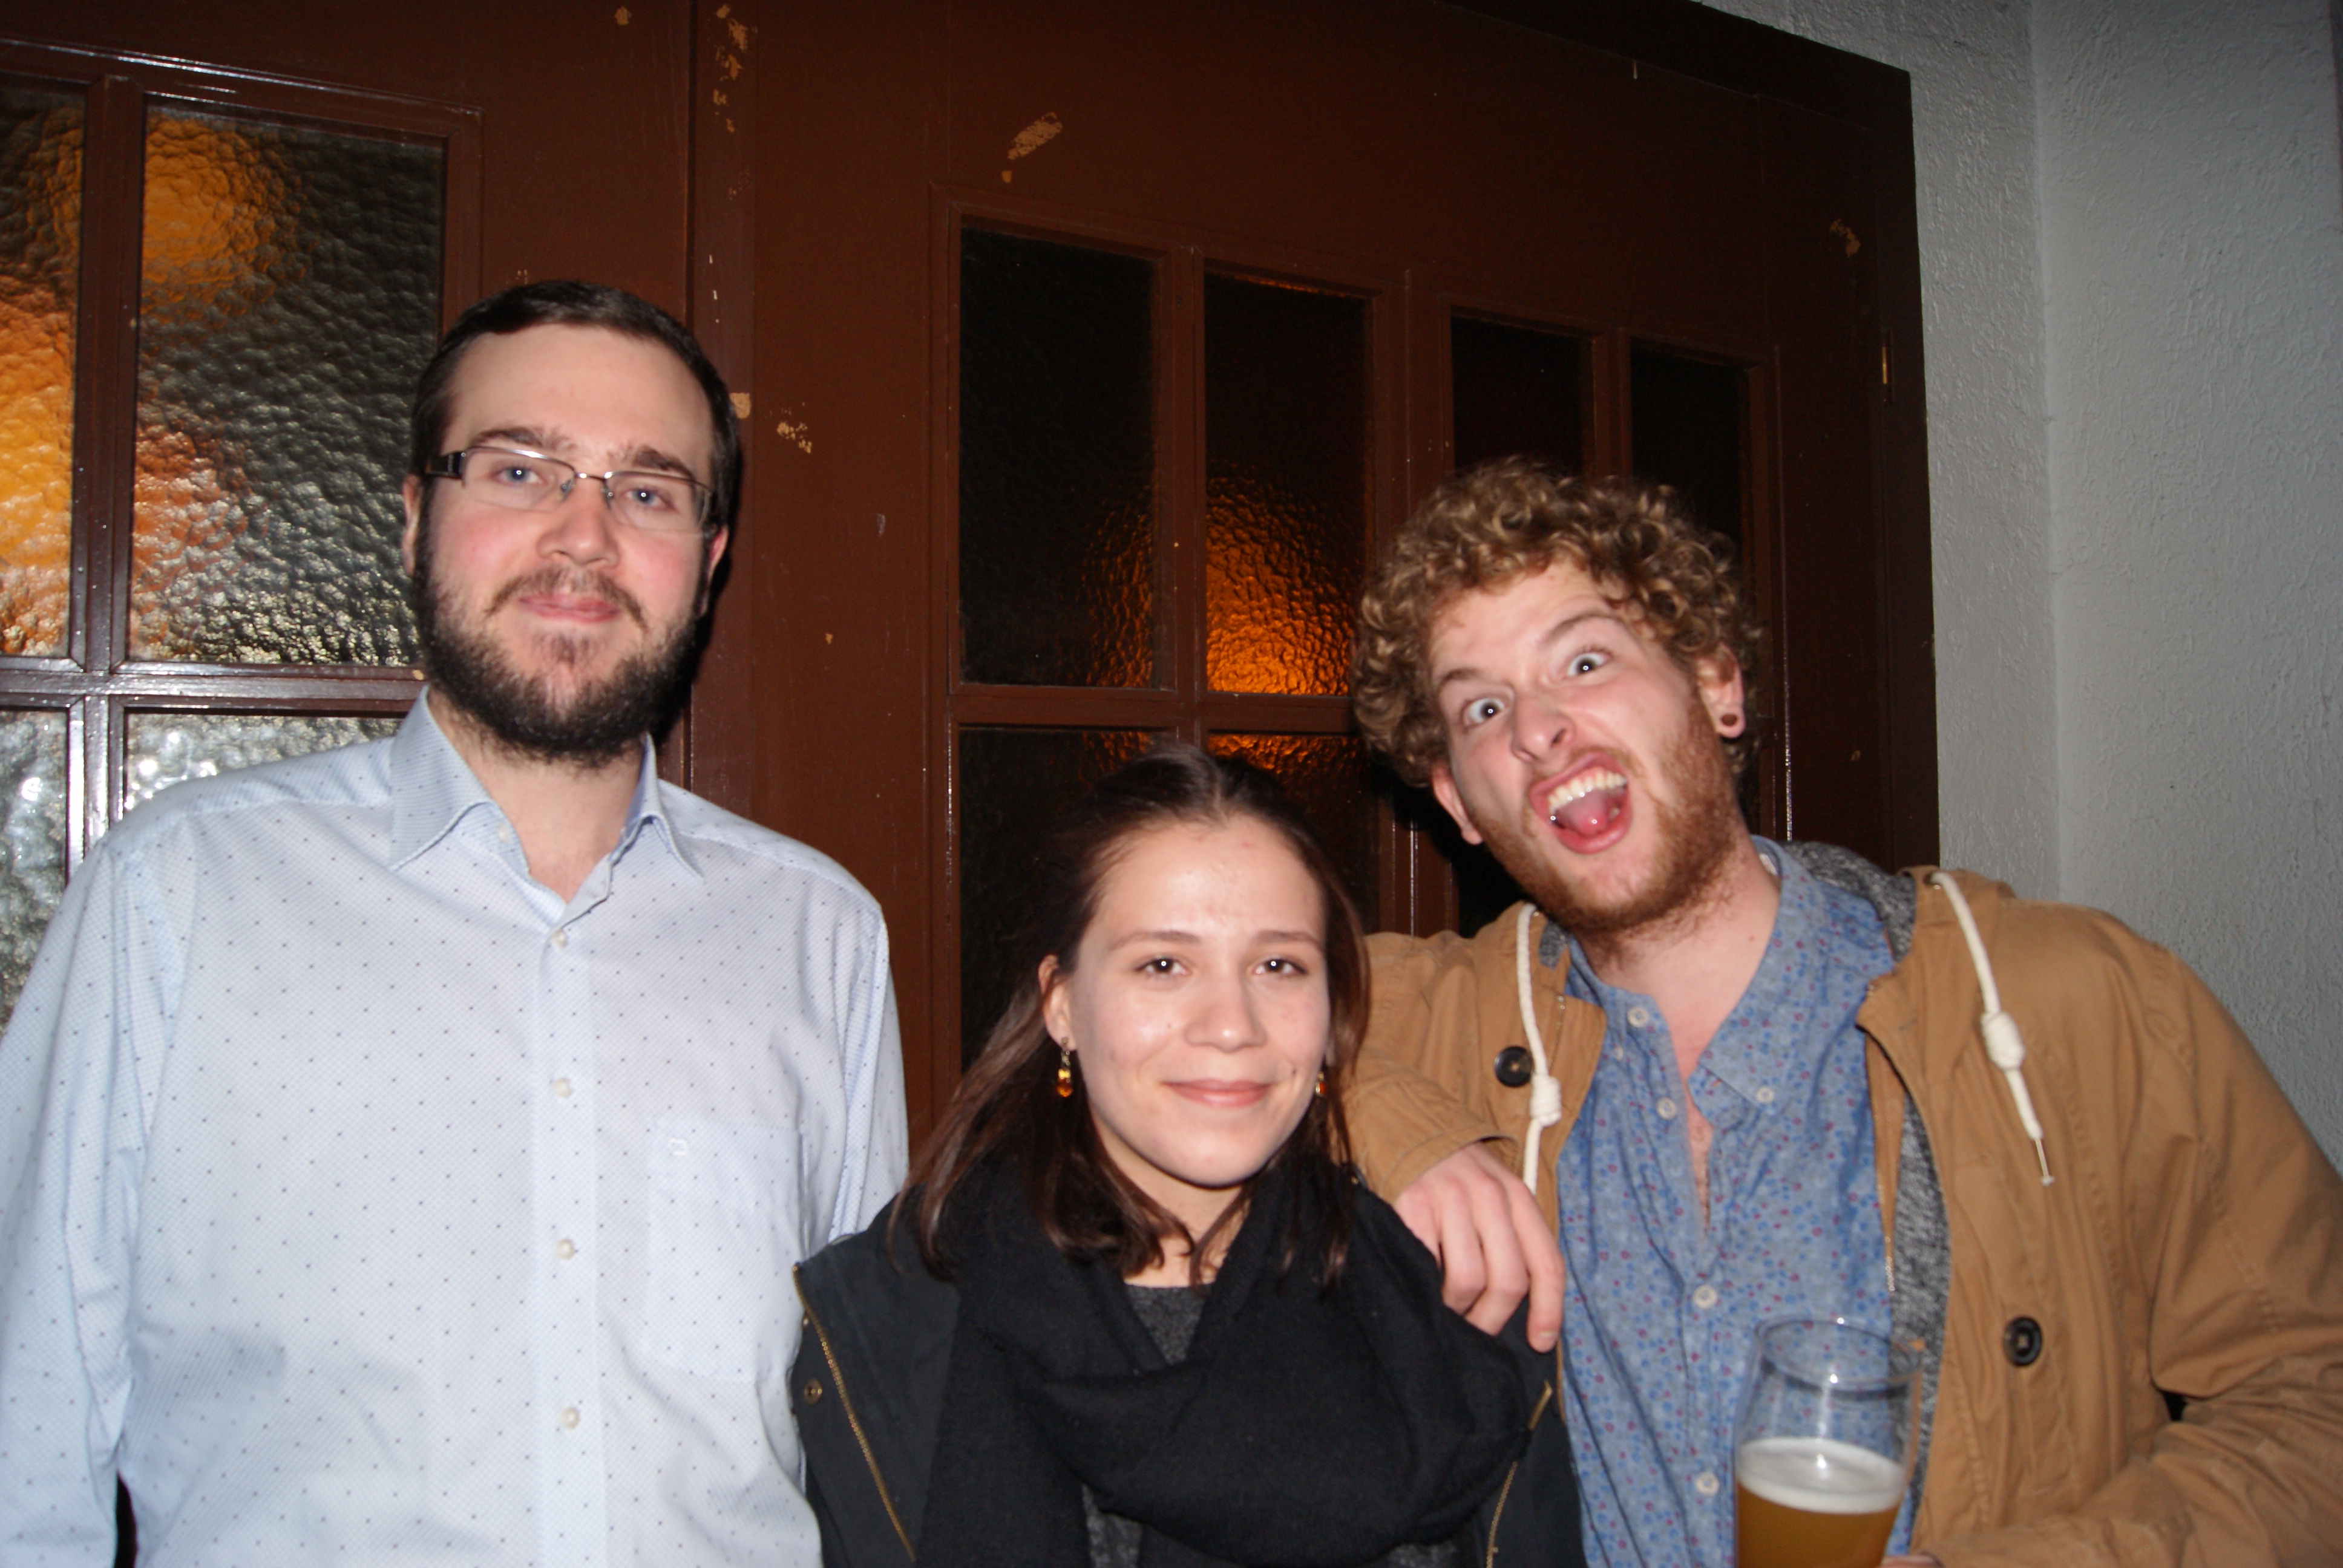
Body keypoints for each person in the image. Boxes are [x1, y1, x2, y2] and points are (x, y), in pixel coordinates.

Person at [0, 281, 906, 1564]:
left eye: (648, 491)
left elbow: (869, 1435)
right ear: (417, 516)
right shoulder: (175, 897)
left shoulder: (821, 938)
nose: (584, 537)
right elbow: (26, 1434)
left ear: (708, 562)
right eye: (520, 471)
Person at [1343, 458, 2343, 1567]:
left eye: (1585, 660)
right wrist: (1407, 1129)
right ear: (1459, 800)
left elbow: (2314, 1399)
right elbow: (1198, 1013)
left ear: (1716, 685)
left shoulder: (2078, 1002)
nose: (1538, 729)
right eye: (1484, 707)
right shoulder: (1433, 1017)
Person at [791, 744, 1579, 1568]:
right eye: (1164, 965)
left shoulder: (1456, 1300)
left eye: (1278, 965)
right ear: (1062, 1005)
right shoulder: (888, 1320)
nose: (1231, 1024)